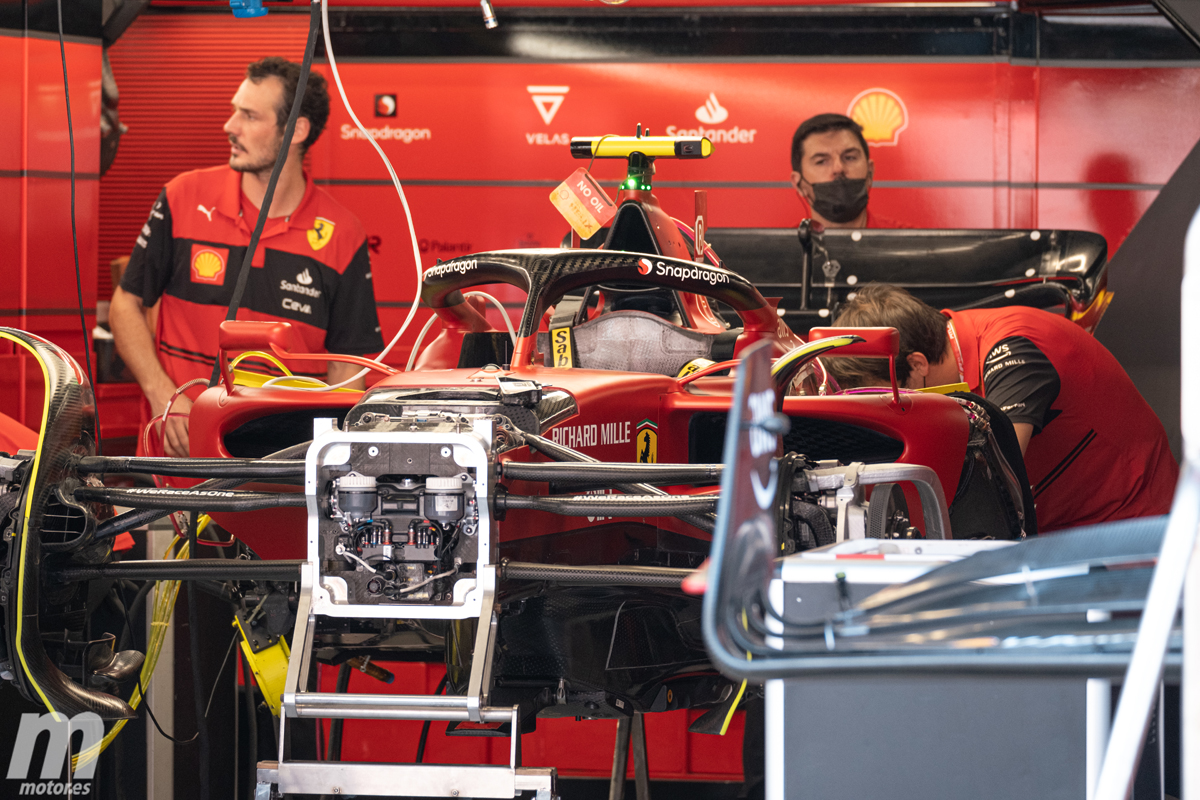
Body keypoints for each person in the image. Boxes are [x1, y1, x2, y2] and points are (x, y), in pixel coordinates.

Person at [111, 57, 384, 457]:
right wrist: (162, 396)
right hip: (179, 457)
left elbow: (347, 370)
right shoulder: (183, 197)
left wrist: (331, 460)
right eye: (235, 110)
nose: (230, 126)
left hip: (280, 465)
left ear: (296, 131)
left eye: (249, 116)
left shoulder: (342, 233)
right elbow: (125, 305)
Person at [825, 284, 1178, 532]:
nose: (888, 404)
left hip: (1130, 528)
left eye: (884, 391)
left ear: (917, 365)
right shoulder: (948, 338)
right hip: (1061, 529)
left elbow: (989, 479)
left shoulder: (1014, 351)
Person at [789, 113, 908, 229]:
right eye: (821, 161)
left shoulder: (910, 240)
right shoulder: (783, 243)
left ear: (870, 172)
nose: (838, 168)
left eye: (850, 157)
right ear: (798, 184)